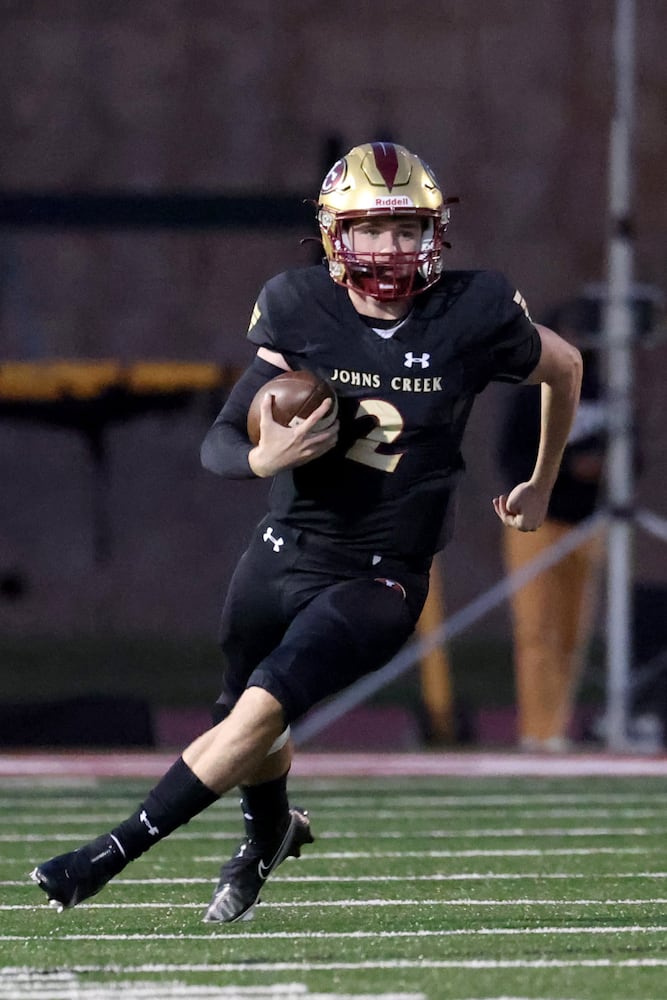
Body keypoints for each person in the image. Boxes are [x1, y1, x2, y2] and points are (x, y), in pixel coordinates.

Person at [30, 141, 582, 923]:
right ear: (332, 234)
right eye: (369, 229)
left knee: (260, 709)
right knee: (243, 716)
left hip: (381, 572)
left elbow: (564, 367)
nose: (388, 249)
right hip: (283, 549)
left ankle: (107, 856)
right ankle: (267, 835)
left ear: (433, 235)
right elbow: (218, 442)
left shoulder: (474, 310)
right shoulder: (297, 305)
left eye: (405, 229)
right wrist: (264, 454)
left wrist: (541, 478)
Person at [498, 297, 606, 752]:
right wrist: (555, 479)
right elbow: (510, 455)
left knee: (572, 633)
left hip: (589, 522)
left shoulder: (604, 389)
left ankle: (556, 726)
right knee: (537, 630)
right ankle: (537, 730)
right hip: (539, 524)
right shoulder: (530, 390)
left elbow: (633, 449)